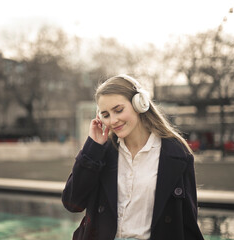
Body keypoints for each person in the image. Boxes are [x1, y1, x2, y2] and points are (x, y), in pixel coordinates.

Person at [62, 75, 204, 240]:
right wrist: (92, 147)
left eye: (119, 110)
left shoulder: (177, 153)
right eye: (106, 114)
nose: (113, 120)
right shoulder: (101, 152)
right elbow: (72, 203)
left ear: (140, 104)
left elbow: (188, 221)